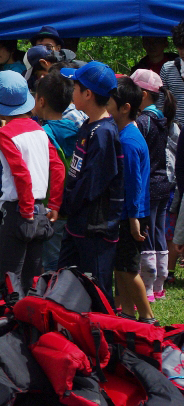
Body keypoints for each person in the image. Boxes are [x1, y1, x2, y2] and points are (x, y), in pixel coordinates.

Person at [0, 71, 64, 294]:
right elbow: (57, 167)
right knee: (32, 277)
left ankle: (10, 322)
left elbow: (21, 173)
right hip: (41, 211)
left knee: (9, 278)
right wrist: (55, 205)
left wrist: (26, 211)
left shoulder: (4, 134)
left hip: (20, 211)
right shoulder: (39, 129)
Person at [58, 62, 124, 303]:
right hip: (77, 221)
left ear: (88, 93)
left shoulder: (104, 132)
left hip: (95, 226)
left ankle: (105, 335)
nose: (71, 92)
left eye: (75, 86)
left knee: (98, 289)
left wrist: (68, 204)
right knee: (64, 280)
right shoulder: (88, 125)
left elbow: (93, 183)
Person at [107, 76, 155, 323]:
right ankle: (127, 314)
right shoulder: (126, 133)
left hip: (132, 214)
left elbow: (134, 183)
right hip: (128, 213)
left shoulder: (128, 140)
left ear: (126, 107)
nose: (106, 104)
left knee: (128, 270)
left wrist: (135, 218)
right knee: (120, 269)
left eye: (111, 101)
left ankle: (147, 316)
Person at [131, 69, 176, 302]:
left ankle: (147, 289)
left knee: (145, 235)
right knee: (158, 231)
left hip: (148, 184)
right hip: (164, 183)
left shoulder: (142, 122)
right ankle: (159, 286)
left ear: (144, 95)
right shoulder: (163, 120)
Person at [32, 69, 78, 272]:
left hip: (51, 206)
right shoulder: (76, 129)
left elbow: (54, 170)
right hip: (71, 203)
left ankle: (52, 296)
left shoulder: (44, 134)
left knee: (50, 260)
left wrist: (51, 204)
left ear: (41, 101)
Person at [158, 21, 184, 125]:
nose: (182, 52)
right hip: (176, 133)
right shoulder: (168, 68)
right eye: (180, 47)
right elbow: (160, 102)